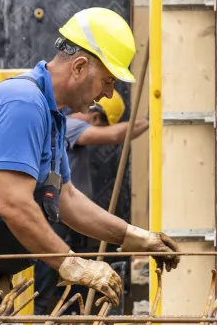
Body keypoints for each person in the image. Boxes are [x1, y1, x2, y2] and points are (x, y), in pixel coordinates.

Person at [0, 7, 180, 325]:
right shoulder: (23, 103)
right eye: (108, 81)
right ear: (80, 66)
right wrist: (71, 263)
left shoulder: (53, 117)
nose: (109, 95)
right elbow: (14, 204)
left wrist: (133, 237)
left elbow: (66, 199)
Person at [34, 88, 151, 312]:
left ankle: (61, 322)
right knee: (48, 272)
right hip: (58, 216)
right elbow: (116, 135)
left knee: (64, 275)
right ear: (96, 117)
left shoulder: (65, 128)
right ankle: (37, 323)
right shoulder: (70, 125)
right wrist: (149, 120)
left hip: (66, 217)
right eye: (101, 126)